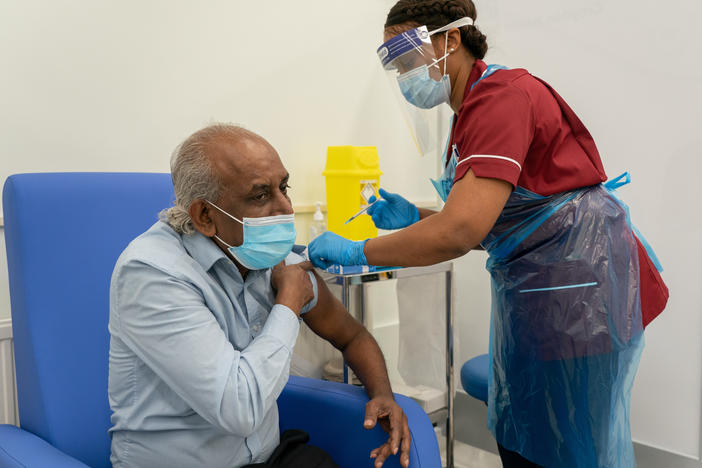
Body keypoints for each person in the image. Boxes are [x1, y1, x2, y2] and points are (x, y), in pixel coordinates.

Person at [308, 1, 669, 467]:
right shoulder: (473, 106)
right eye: (394, 64)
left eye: (407, 57)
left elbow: (461, 231)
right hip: (547, 288)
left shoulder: (501, 97)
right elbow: (500, 224)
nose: (402, 74)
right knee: (529, 436)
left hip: (579, 294)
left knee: (565, 447)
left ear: (450, 41)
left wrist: (360, 250)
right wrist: (418, 218)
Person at [108, 124, 411, 468]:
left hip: (266, 456)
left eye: (284, 187)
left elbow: (352, 335)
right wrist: (288, 305)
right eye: (260, 196)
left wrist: (382, 393)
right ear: (205, 216)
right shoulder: (154, 274)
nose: (284, 208)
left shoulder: (268, 258)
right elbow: (240, 410)